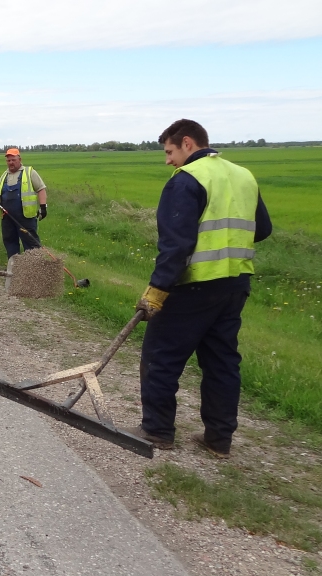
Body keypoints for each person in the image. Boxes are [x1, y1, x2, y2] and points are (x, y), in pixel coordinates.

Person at [123, 119, 272, 459]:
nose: (168, 160)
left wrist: (157, 291)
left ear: (187, 143)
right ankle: (219, 439)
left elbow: (175, 246)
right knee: (222, 362)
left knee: (160, 357)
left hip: (193, 287)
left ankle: (157, 430)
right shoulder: (242, 175)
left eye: (170, 151)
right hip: (235, 285)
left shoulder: (187, 180)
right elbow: (261, 229)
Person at [0, 148, 48, 257]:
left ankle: (35, 269)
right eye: (8, 161)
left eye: (13, 160)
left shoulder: (29, 172)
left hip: (26, 217)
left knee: (31, 243)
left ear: (19, 159)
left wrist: (43, 207)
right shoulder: (4, 175)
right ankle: (15, 268)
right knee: (10, 242)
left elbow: (41, 189)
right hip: (7, 217)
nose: (11, 163)